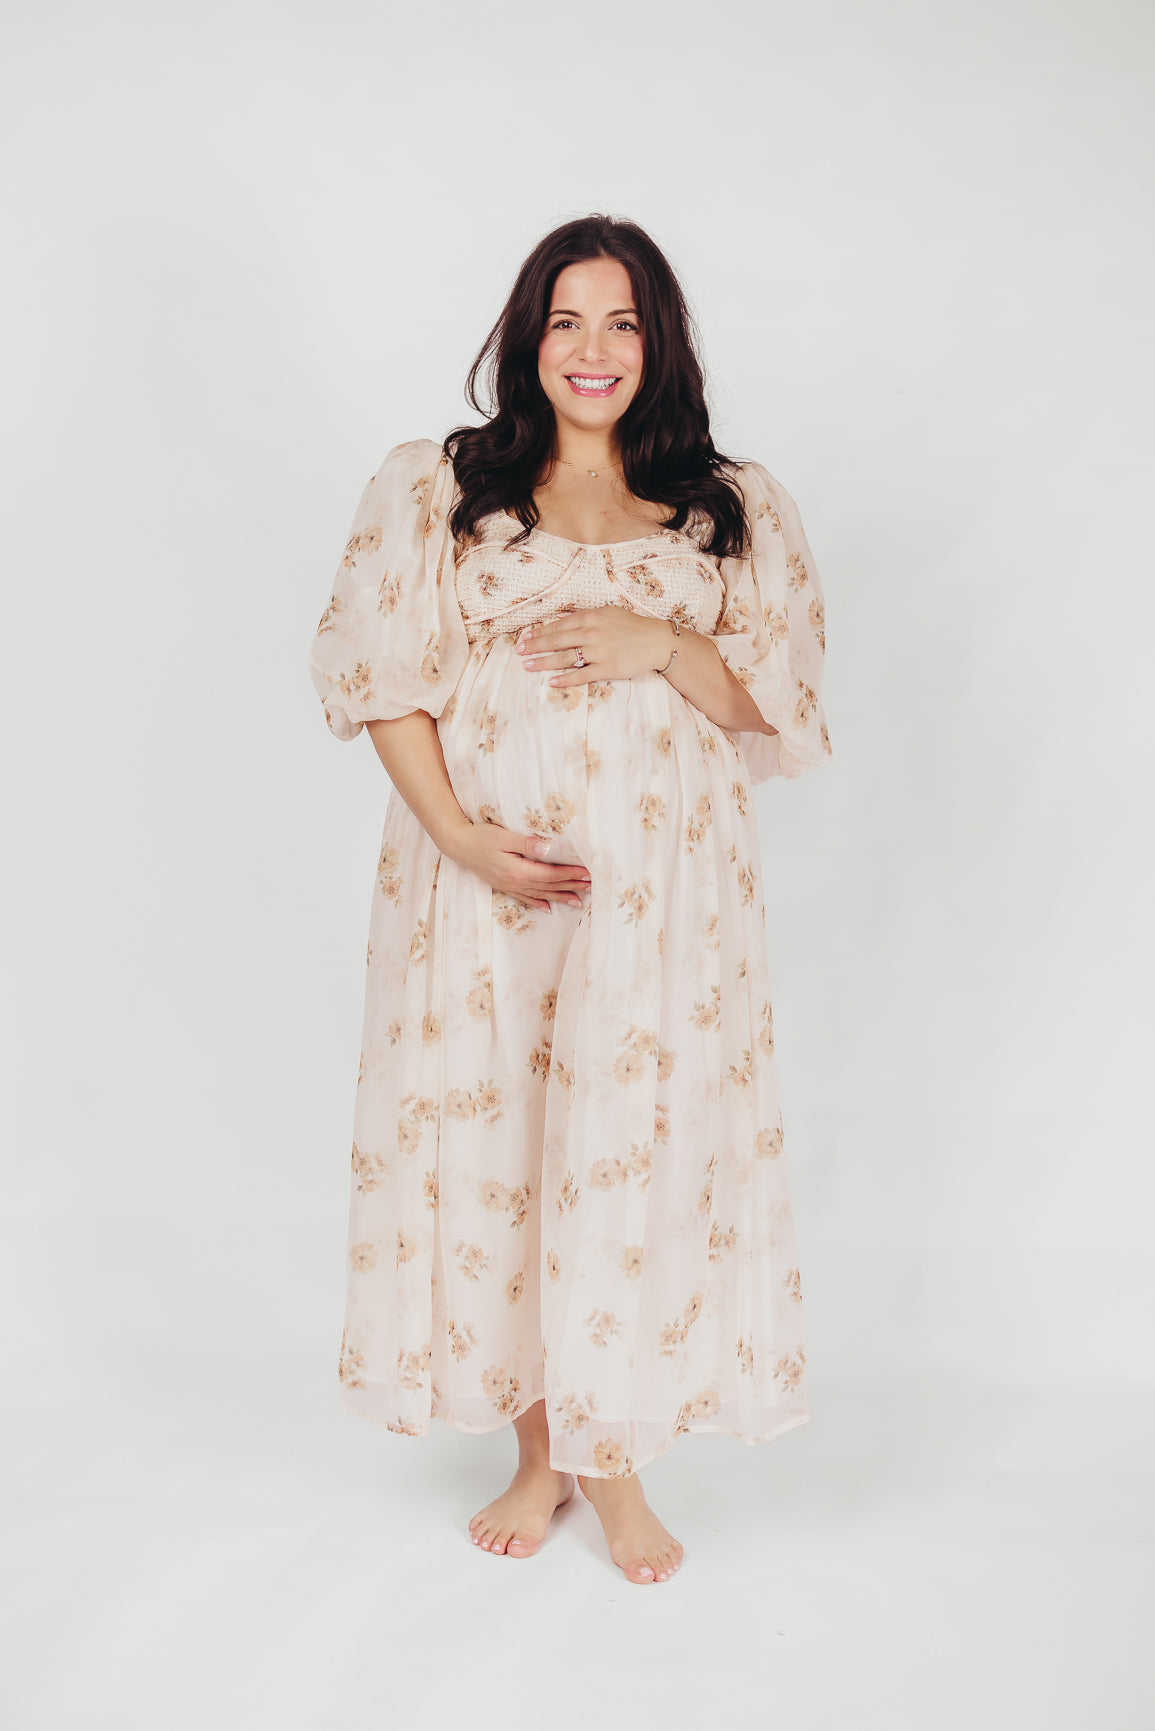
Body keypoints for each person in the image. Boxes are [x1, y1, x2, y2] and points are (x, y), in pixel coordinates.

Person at [307, 213, 832, 1587]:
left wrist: (664, 642)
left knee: (633, 1143)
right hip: (487, 887)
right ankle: (541, 1455)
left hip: (664, 895)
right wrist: (463, 839)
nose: (593, 350)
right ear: (526, 338)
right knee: (504, 1144)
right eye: (566, 321)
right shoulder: (444, 487)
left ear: (660, 344)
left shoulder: (726, 505)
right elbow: (384, 677)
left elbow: (773, 704)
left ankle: (618, 1461)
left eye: (622, 323)